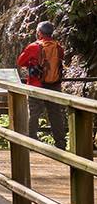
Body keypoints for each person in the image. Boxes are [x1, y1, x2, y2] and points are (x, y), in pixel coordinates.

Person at [16, 21, 68, 149]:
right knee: (55, 114)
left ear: (39, 33)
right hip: (55, 84)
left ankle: (31, 141)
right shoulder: (58, 47)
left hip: (36, 84)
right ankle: (60, 143)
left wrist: (32, 64)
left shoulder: (33, 47)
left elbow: (20, 61)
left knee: (34, 113)